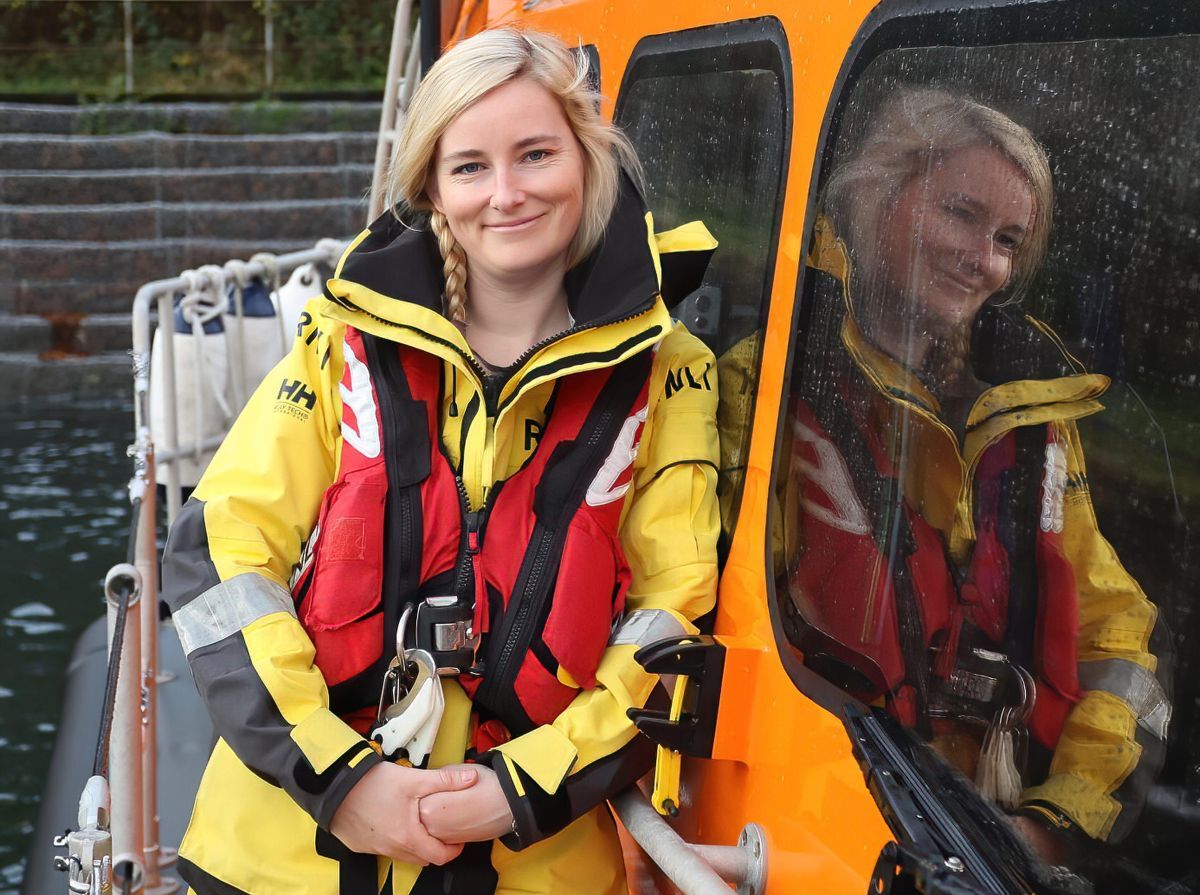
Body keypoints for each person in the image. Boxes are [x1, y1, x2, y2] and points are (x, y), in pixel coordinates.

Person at [161, 28, 720, 895]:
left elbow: (669, 620)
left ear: (587, 159)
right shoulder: (341, 340)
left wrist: (516, 789)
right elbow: (226, 553)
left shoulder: (668, 369)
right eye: (470, 166)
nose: (507, 193)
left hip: (529, 858)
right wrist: (342, 782)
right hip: (280, 856)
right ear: (430, 184)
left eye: (536, 154)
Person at [779, 88, 1167, 858]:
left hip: (989, 847)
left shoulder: (1035, 421)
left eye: (1008, 239)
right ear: (872, 194)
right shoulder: (777, 388)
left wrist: (1055, 826)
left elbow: (1118, 641)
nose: (983, 259)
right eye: (960, 213)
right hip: (825, 828)